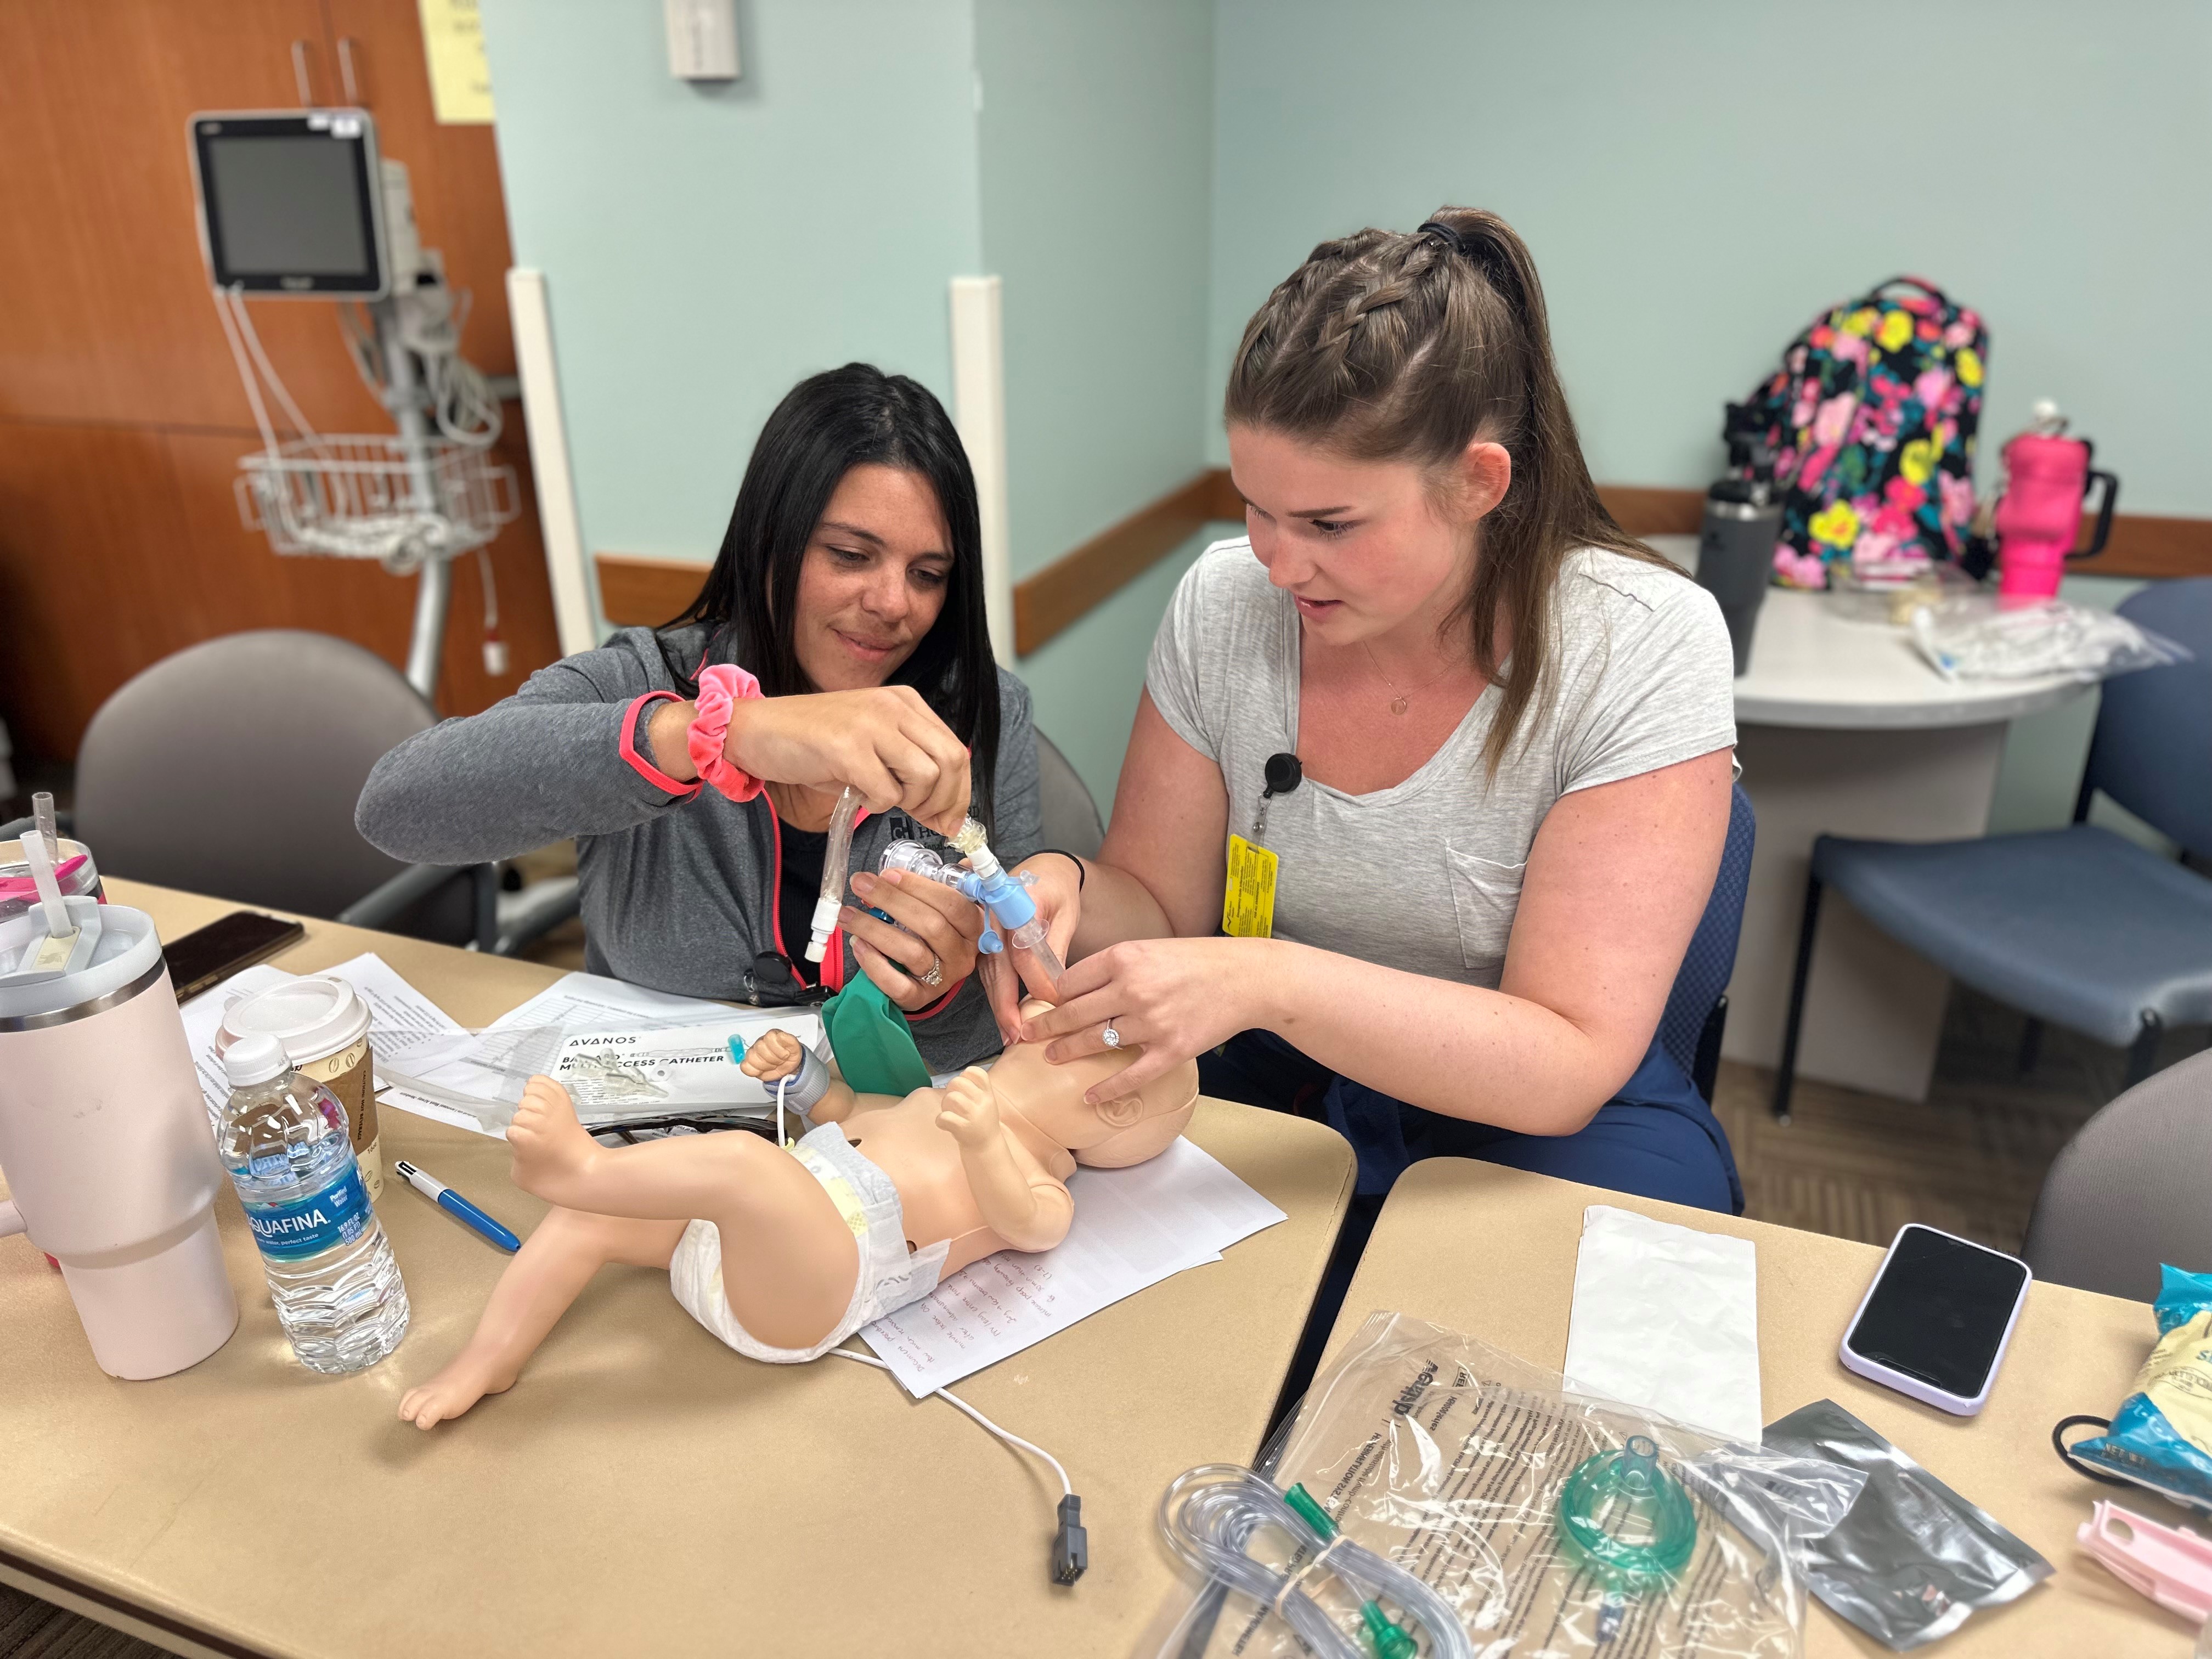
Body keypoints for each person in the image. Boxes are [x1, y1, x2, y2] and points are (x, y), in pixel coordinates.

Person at [998, 208, 1743, 1222]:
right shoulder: (1224, 604)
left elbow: (1564, 1058)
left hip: (1539, 1120)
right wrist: (1071, 889)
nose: (1278, 561)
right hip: (1280, 1083)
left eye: (1329, 524)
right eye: (1255, 506)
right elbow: (1164, 913)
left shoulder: (1643, 643)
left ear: (1479, 483)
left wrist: (1268, 981)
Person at [358, 364, 1037, 1071]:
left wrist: (938, 991)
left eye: (927, 574)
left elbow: (1005, 1016)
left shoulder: (983, 714)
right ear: (769, 543)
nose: (895, 603)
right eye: (850, 555)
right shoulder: (645, 678)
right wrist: (717, 733)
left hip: (874, 1144)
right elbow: (395, 808)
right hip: (651, 1139)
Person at [396, 1017, 1197, 1427]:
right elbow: (846, 1115)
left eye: (1081, 1038)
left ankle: (585, 1166)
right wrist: (804, 1077)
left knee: (747, 1166)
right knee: (583, 1222)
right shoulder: (933, 1099)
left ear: (1115, 1107)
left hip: (818, 1285)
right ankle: (488, 1361)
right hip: (746, 1239)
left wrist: (987, 1140)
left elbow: (1030, 1228)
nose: (1045, 1012)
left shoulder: (1037, 1173)